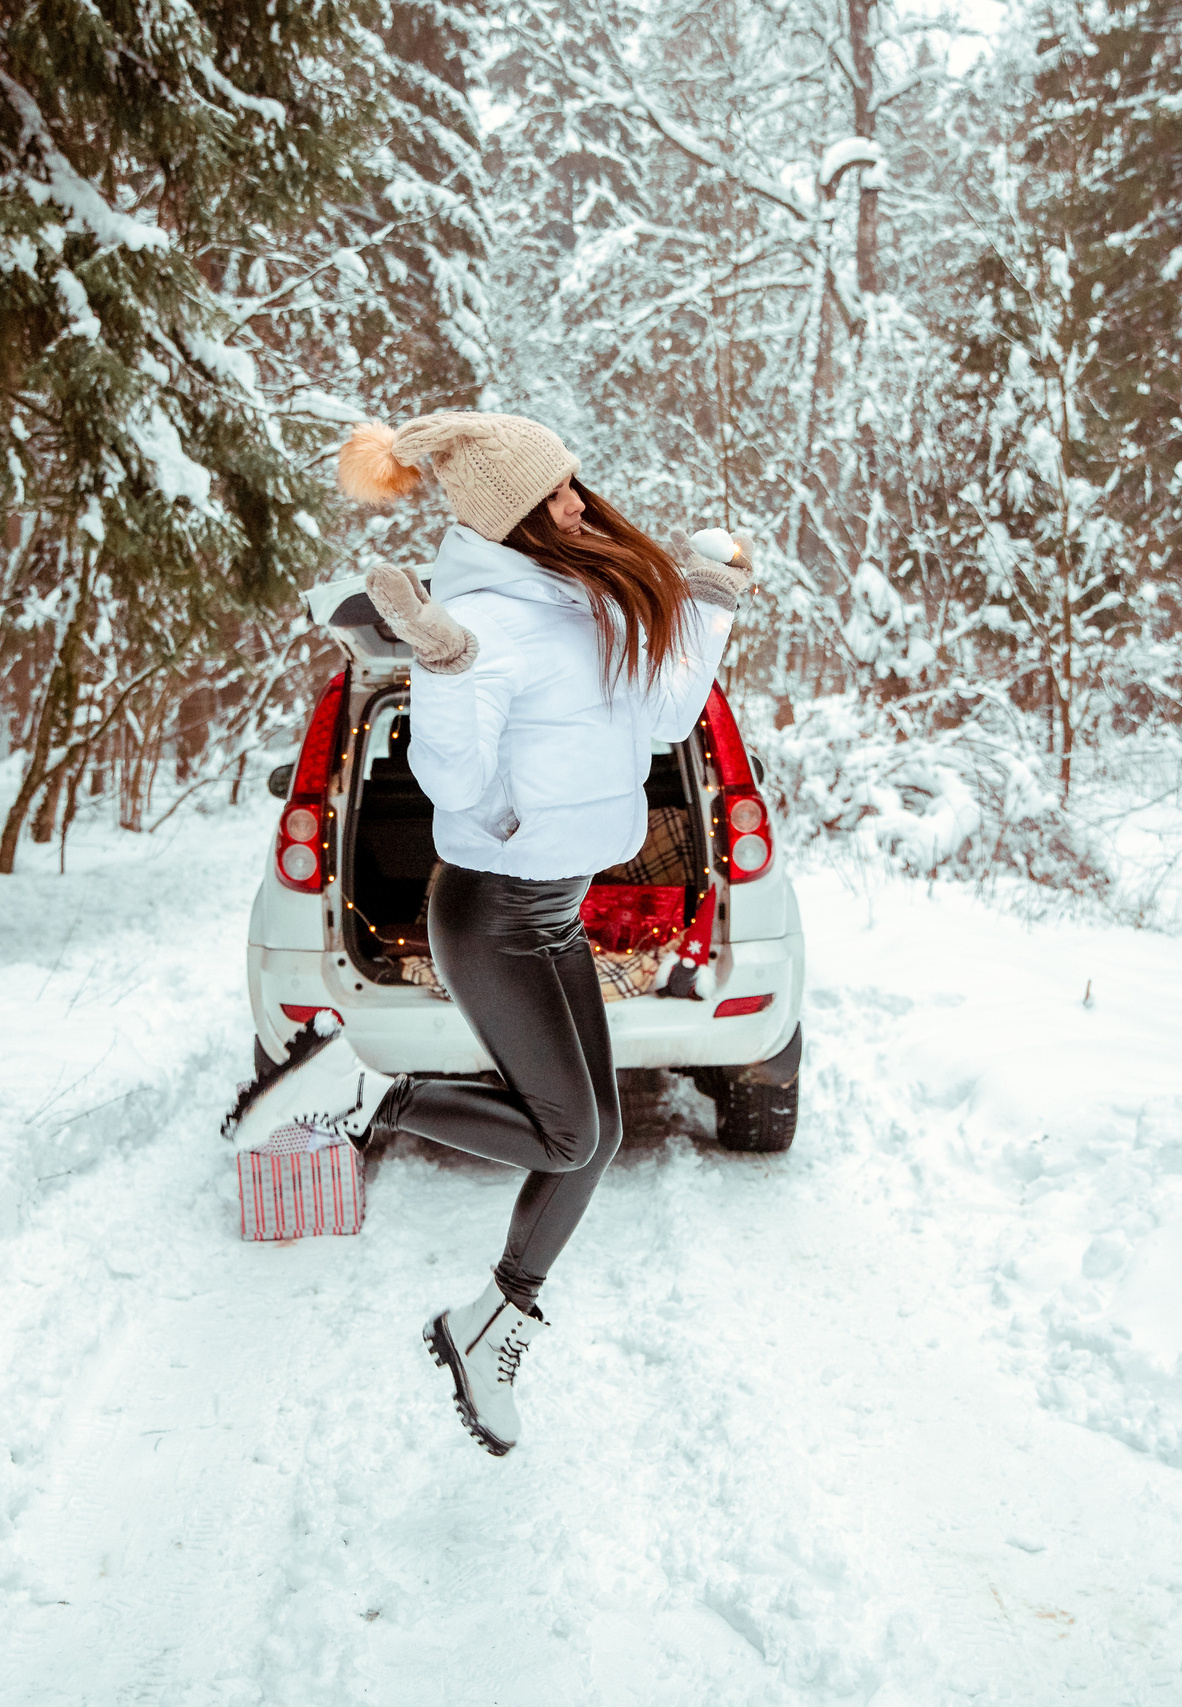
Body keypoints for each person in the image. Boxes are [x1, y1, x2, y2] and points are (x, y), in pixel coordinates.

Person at [237, 411, 753, 1457]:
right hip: (491, 912)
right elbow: (453, 782)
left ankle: (490, 1324)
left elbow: (664, 715)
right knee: (568, 1135)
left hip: (549, 911)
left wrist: (706, 601)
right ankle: (369, 1097)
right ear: (512, 517)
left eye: (570, 481)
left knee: (595, 1139)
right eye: (552, 493)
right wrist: (441, 665)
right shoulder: (481, 621)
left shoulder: (580, 598)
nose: (575, 502)